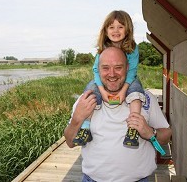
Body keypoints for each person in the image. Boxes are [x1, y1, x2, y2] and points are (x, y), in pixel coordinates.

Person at [64, 46, 172, 182]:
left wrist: (150, 133)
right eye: (105, 68)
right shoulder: (85, 100)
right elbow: (70, 142)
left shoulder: (145, 98)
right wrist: (76, 119)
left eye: (118, 67)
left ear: (127, 68)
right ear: (98, 70)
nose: (112, 73)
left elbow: (166, 136)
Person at [73, 10, 145, 147]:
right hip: (102, 81)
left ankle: (133, 129)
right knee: (90, 90)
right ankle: (85, 128)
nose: (116, 31)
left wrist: (124, 91)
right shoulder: (103, 48)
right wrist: (102, 91)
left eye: (120, 27)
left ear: (127, 29)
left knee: (136, 90)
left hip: (128, 79)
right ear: (106, 31)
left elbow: (132, 71)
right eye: (111, 27)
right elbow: (96, 70)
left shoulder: (132, 48)